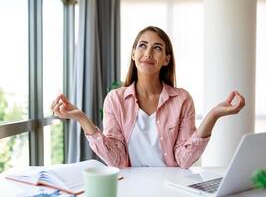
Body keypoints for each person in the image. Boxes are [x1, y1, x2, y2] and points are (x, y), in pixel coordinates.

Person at [51, 26, 245, 169]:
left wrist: (212, 116)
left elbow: (184, 160)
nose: (148, 53)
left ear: (166, 59)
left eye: (158, 48)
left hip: (171, 186)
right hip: (130, 186)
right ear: (134, 54)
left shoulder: (182, 99)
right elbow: (116, 160)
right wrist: (82, 119)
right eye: (142, 46)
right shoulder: (115, 100)